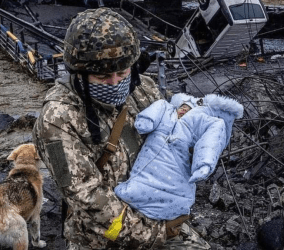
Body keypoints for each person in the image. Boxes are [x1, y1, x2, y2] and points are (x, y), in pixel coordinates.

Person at [33, 8, 210, 249]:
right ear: (79, 73)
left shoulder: (141, 89)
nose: (115, 83)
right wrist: (157, 232)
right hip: (104, 237)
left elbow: (175, 137)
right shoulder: (57, 120)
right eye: (103, 76)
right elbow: (87, 198)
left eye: (122, 72)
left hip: (157, 212)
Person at [114, 93, 244, 221]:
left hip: (177, 166)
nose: (184, 110)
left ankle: (170, 212)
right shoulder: (166, 110)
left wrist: (204, 164)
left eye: (188, 109)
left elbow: (211, 139)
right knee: (138, 186)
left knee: (178, 191)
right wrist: (146, 120)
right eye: (182, 106)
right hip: (150, 164)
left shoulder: (196, 121)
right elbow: (158, 108)